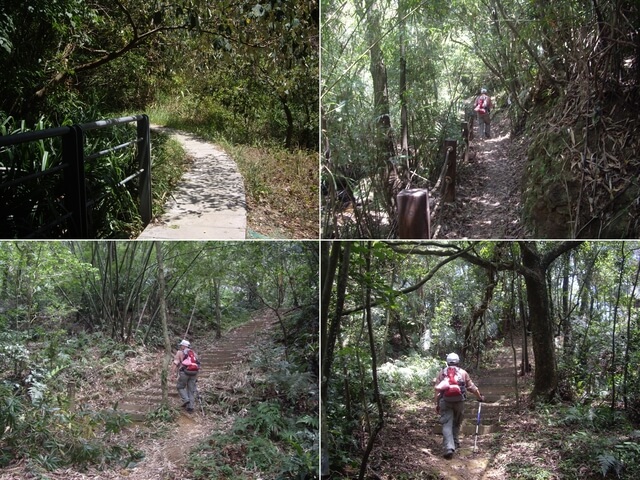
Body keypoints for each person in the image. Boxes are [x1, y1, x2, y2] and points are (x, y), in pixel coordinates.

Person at [434, 352, 484, 459]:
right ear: (458, 362)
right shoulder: (463, 373)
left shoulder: (442, 373)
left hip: (445, 401)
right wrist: (479, 397)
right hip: (459, 402)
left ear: (447, 362)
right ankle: (455, 443)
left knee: (447, 424)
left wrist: (437, 404)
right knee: (456, 423)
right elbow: (472, 387)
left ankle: (449, 447)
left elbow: (438, 391)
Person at [171, 339, 199, 412]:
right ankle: (190, 408)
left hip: (184, 372)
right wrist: (196, 376)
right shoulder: (194, 353)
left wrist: (172, 374)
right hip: (194, 373)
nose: (180, 347)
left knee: (180, 387)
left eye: (181, 345)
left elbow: (175, 363)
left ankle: (186, 399)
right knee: (191, 390)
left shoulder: (180, 352)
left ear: (184, 346)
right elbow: (197, 364)